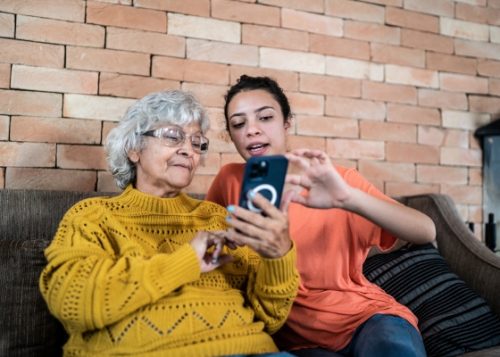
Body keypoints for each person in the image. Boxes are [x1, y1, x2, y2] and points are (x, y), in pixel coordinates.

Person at [39, 90, 300, 357]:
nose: (188, 150)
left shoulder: (218, 218)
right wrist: (186, 260)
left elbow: (270, 319)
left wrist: (277, 255)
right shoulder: (93, 217)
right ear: (133, 149)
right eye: (173, 136)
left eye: (197, 142)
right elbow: (72, 302)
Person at [206, 75, 437, 357]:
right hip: (295, 340)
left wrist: (347, 198)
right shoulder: (229, 181)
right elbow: (212, 256)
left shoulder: (336, 179)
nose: (251, 130)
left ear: (286, 122)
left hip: (367, 321)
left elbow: (425, 231)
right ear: (231, 135)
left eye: (265, 117)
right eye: (239, 124)